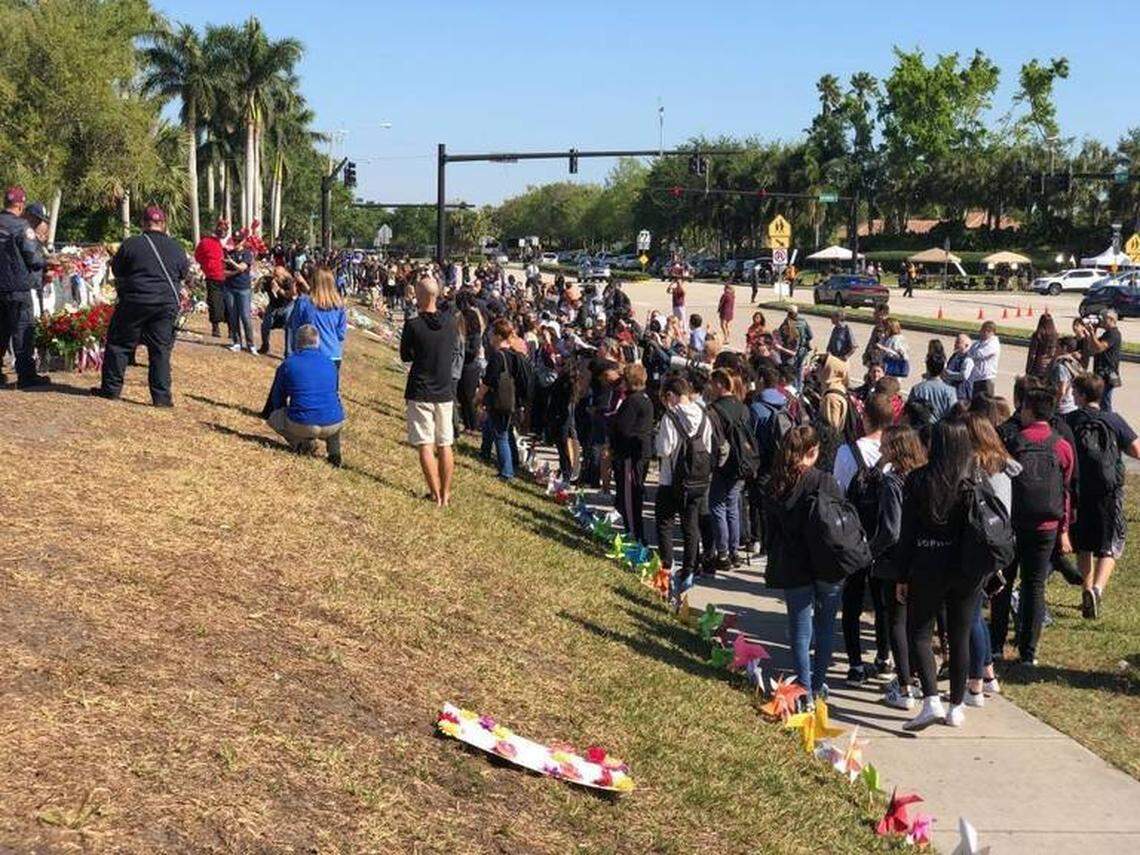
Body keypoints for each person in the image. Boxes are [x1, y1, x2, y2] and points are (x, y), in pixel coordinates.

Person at [898, 421, 982, 730]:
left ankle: (931, 699)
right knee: (959, 636)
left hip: (926, 562)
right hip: (965, 568)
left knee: (919, 632)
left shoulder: (919, 480)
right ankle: (957, 705)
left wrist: (902, 573)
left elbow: (906, 533)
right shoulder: (971, 481)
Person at [764, 425, 843, 707]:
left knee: (799, 628)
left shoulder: (776, 483)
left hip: (792, 561)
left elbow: (769, 530)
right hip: (825, 562)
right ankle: (819, 682)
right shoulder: (825, 481)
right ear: (813, 452)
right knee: (825, 625)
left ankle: (804, 690)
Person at [1006, 382, 1074, 666]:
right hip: (1047, 524)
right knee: (1034, 584)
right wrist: (1065, 529)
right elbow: (1068, 489)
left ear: (1031, 411)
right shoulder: (1061, 445)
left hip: (1014, 521)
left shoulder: (1014, 442)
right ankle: (1028, 652)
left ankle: (996, 643)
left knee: (1004, 583)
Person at [94, 206, 188, 406]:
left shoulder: (132, 244)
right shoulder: (176, 247)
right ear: (163, 224)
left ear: (144, 224)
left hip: (135, 300)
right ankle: (162, 398)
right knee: (160, 351)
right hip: (165, 304)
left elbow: (117, 270)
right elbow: (183, 274)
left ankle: (111, 390)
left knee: (119, 345)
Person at [834, 393, 896, 685]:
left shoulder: (847, 453)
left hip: (854, 533)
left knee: (853, 599)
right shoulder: (893, 454)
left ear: (864, 417)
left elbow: (837, 491)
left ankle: (855, 663)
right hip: (883, 536)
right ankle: (884, 655)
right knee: (883, 600)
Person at [960, 412, 1019, 706]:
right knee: (976, 612)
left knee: (969, 614)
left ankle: (975, 684)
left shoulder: (976, 466)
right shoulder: (1003, 463)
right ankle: (988, 673)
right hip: (1000, 542)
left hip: (978, 544)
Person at [1069, 374, 1140, 618]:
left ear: (1080, 395)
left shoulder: (1070, 420)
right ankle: (1097, 590)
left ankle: (1086, 589)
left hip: (1079, 491)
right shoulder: (1113, 419)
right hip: (1108, 492)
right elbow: (1136, 450)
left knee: (1084, 545)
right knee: (1111, 544)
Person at [871, 425, 927, 710]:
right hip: (925, 558)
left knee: (897, 622)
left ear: (897, 449)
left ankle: (904, 686)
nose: (881, 450)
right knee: (918, 625)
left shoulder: (893, 482)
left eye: (886, 446)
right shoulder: (925, 475)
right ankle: (915, 678)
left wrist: (871, 550)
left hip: (896, 560)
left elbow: (891, 530)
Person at [399, 274, 456, 506]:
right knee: (445, 443)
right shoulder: (451, 323)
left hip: (421, 388)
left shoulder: (413, 325)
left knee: (425, 443)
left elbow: (405, 355)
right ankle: (446, 491)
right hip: (444, 390)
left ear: (420, 297)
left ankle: (434, 494)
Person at [655, 372, 712, 596]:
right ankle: (689, 569)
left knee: (665, 523)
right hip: (698, 480)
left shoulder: (670, 417)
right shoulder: (703, 414)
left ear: (671, 395)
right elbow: (707, 445)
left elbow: (664, 449)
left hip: (671, 480)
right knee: (691, 526)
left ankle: (666, 566)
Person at [261, 324, 345, 465]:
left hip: (303, 423)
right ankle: (334, 452)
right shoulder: (331, 364)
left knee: (274, 418)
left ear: (296, 341)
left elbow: (277, 398)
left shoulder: (288, 364)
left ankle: (302, 444)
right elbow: (334, 393)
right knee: (331, 409)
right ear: (318, 342)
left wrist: (286, 411)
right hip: (334, 423)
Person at [0, 186, 49, 389]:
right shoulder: (22, 227)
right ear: (20, 205)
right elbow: (33, 258)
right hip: (17, 286)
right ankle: (27, 376)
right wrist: (46, 262)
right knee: (22, 330)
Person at [707, 367, 752, 569]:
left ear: (719, 384)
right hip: (742, 463)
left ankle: (722, 553)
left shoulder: (714, 410)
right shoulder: (742, 407)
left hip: (723, 463)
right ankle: (734, 551)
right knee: (733, 506)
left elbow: (714, 440)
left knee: (717, 506)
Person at [609, 363, 653, 545]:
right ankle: (634, 532)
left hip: (630, 455)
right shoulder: (644, 398)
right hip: (639, 453)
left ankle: (634, 535)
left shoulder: (633, 401)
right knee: (631, 497)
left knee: (629, 498)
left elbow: (623, 428)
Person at [289, 267, 347, 370]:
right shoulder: (339, 306)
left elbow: (295, 329)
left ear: (313, 282)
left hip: (309, 354)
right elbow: (341, 334)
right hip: (333, 355)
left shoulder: (304, 302)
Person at [259, 265, 305, 356]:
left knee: (289, 326)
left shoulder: (288, 281)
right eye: (274, 275)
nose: (275, 277)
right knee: (265, 324)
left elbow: (290, 296)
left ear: (283, 275)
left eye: (278, 276)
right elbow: (264, 292)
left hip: (287, 305)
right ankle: (265, 346)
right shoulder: (269, 281)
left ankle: (288, 352)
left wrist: (278, 290)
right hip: (273, 306)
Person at [223, 230, 256, 353]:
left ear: (243, 241)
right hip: (230, 288)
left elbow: (243, 267)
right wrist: (235, 271)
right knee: (233, 316)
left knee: (245, 316)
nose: (236, 242)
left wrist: (232, 264)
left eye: (238, 240)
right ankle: (236, 342)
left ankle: (250, 344)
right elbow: (223, 272)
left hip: (243, 289)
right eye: (234, 240)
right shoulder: (229, 253)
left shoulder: (247, 253)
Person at [194, 219, 228, 338]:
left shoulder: (228, 243)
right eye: (221, 229)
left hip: (228, 276)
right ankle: (216, 327)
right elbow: (198, 256)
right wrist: (206, 266)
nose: (223, 231)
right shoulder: (206, 242)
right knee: (214, 302)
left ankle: (230, 329)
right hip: (213, 276)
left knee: (227, 303)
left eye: (225, 229)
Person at [907, 350, 958, 422]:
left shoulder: (917, 389)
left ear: (928, 368)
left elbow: (909, 410)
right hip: (941, 428)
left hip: (922, 428)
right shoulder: (950, 391)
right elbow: (953, 413)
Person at [1089, 310, 1122, 412]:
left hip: (1107, 374)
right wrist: (1092, 332)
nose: (1101, 321)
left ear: (1111, 320)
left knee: (1105, 403)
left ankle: (1108, 424)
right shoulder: (1106, 334)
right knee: (1099, 401)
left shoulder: (1113, 334)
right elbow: (1093, 348)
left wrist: (1091, 332)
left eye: (1103, 318)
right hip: (1101, 372)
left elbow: (1099, 347)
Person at [1048, 336, 1081, 419]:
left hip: (1063, 409)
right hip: (1072, 404)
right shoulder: (1073, 361)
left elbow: (1062, 390)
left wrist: (1054, 405)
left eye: (1057, 347)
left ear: (1064, 348)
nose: (1055, 349)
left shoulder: (1061, 366)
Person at [966, 322, 1000, 399]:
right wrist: (972, 352)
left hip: (986, 379)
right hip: (976, 378)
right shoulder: (979, 343)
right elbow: (969, 352)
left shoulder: (993, 344)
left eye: (987, 331)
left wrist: (972, 352)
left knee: (986, 404)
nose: (983, 333)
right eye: (982, 330)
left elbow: (979, 354)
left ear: (992, 333)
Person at [1025, 313, 1058, 379]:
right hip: (1049, 365)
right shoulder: (1055, 335)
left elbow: (1032, 354)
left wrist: (1028, 368)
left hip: (1038, 365)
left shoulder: (1037, 334)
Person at [944, 333, 975, 401]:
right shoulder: (955, 355)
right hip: (951, 392)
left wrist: (948, 374)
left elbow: (963, 376)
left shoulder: (968, 359)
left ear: (966, 345)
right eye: (955, 342)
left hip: (962, 396)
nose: (955, 344)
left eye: (958, 342)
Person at [862, 303, 890, 368]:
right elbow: (871, 344)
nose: (873, 315)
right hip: (873, 362)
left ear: (882, 313)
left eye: (875, 312)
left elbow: (881, 347)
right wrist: (866, 357)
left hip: (880, 364)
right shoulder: (877, 327)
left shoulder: (887, 328)